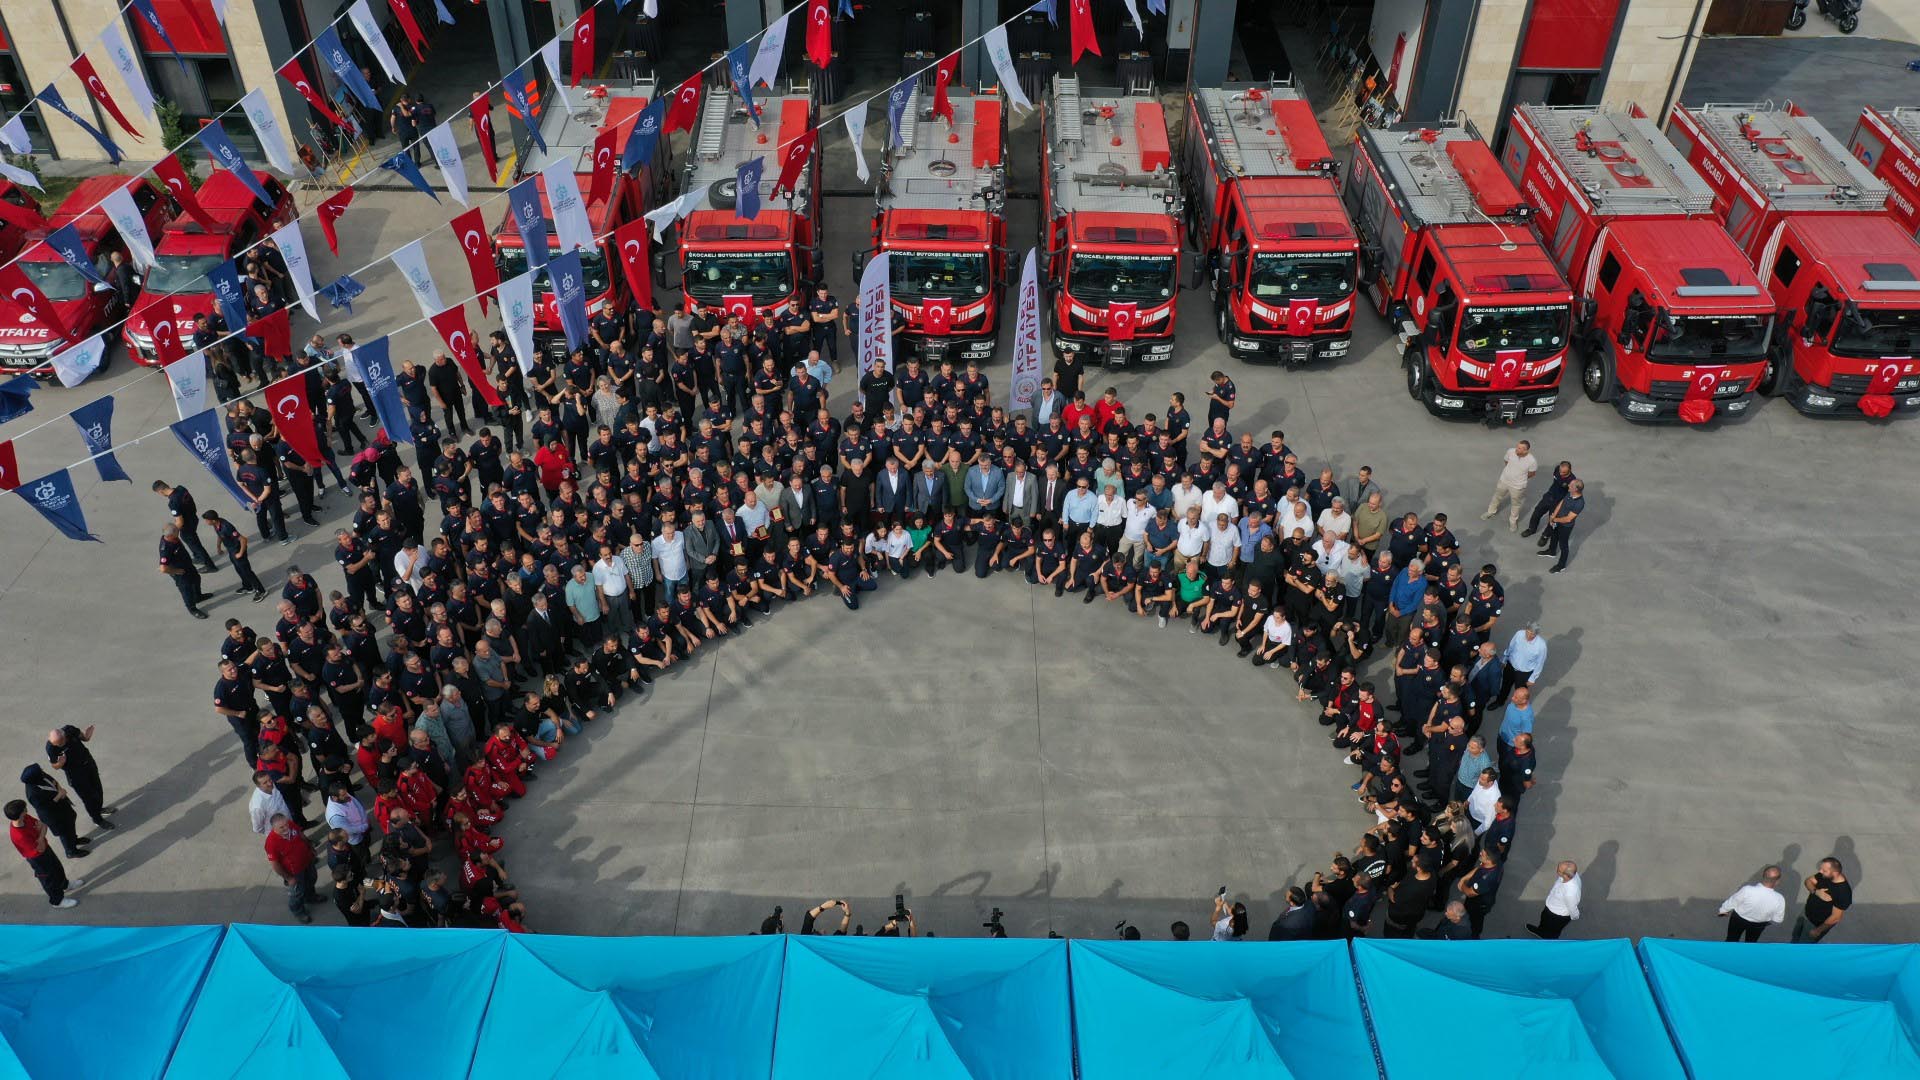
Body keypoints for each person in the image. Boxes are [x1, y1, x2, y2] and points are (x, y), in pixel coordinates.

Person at [8, 800, 83, 908]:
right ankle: (57, 901)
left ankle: (65, 885)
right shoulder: (19, 835)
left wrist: (40, 837)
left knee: (57, 867)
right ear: (19, 814)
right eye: (24, 809)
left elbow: (44, 826)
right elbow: (40, 848)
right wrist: (41, 835)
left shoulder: (25, 818)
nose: (27, 810)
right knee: (48, 879)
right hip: (37, 858)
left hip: (45, 849)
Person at [44, 725, 113, 830]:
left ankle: (99, 809)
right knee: (88, 798)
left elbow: (84, 738)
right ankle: (97, 820)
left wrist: (87, 737)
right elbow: (54, 766)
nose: (58, 746)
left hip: (88, 764)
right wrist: (60, 763)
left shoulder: (70, 730)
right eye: (56, 744)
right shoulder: (51, 747)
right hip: (75, 774)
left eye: (59, 743)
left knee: (97, 789)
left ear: (64, 737)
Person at [20, 764, 87, 859]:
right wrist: (59, 795)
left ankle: (74, 840)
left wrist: (60, 789)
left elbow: (54, 781)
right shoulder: (33, 793)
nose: (42, 770)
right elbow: (45, 807)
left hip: (62, 806)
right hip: (53, 815)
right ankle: (71, 851)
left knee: (70, 824)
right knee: (64, 832)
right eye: (40, 771)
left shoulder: (41, 776)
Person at [264, 812, 320, 923]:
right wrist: (289, 878)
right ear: (274, 828)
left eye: (286, 824)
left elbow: (300, 834)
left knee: (312, 879)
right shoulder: (271, 843)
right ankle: (298, 911)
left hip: (307, 861)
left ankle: (310, 897)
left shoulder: (290, 824)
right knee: (297, 893)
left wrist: (310, 847)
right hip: (294, 872)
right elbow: (275, 865)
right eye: (282, 827)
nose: (286, 828)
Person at [153, 481, 218, 572]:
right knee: (190, 541)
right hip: (193, 518)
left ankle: (210, 566)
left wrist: (171, 534)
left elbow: (180, 521)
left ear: (160, 491)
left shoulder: (173, 503)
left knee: (196, 546)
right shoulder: (181, 489)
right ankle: (198, 557)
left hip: (187, 526)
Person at [204, 509, 268, 601]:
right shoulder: (216, 524)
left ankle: (261, 591)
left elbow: (243, 540)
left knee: (247, 571)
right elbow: (220, 535)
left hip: (237, 550)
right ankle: (248, 587)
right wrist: (218, 547)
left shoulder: (226, 527)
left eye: (207, 520)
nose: (206, 522)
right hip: (231, 550)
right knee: (239, 570)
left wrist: (240, 553)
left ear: (213, 520)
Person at [1718, 865, 1788, 942]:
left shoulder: (1747, 890)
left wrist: (1723, 910)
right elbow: (1778, 920)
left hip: (1738, 919)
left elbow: (1733, 901)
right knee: (1751, 942)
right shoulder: (1780, 899)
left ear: (1763, 876)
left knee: (1731, 939)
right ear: (1777, 881)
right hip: (1759, 925)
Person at [1792, 858, 1852, 943]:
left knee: (1803, 945)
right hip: (1805, 913)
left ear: (1835, 873)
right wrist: (1816, 891)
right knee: (1795, 935)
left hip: (1815, 924)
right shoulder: (1825, 875)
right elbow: (1808, 881)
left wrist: (1818, 930)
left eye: (1824, 870)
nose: (1820, 871)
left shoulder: (1843, 892)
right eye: (1821, 869)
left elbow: (1836, 917)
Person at [1482, 439, 1537, 531]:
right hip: (1504, 480)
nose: (1516, 449)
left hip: (1518, 486)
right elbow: (1506, 461)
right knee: (1497, 496)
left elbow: (1532, 474)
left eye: (1520, 448)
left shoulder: (1532, 461)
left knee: (1515, 504)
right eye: (1517, 447)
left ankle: (1513, 521)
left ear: (1526, 451)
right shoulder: (1510, 451)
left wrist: (1520, 478)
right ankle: (1491, 511)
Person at [159, 524, 212, 620]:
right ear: (171, 535)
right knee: (186, 590)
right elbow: (163, 568)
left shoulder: (173, 538)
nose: (179, 532)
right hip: (180, 572)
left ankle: (198, 596)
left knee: (196, 579)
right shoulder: (165, 548)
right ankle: (192, 608)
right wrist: (176, 571)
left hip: (187, 566)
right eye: (177, 531)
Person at [1492, 623, 1547, 708]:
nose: (1528, 635)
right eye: (1527, 632)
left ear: (1536, 634)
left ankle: (1518, 708)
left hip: (1524, 673)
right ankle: (1499, 701)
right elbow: (1510, 647)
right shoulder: (1519, 634)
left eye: (1532, 634)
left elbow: (1540, 663)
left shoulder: (1541, 646)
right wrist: (1504, 659)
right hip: (1510, 666)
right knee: (1505, 686)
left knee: (1520, 693)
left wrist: (1532, 678)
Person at [1538, 478, 1585, 573]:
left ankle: (1561, 565)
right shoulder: (1570, 493)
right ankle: (1552, 551)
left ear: (1576, 489)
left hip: (1565, 527)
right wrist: (1553, 516)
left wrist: (1554, 519)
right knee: (1554, 536)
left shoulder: (1579, 503)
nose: (1568, 485)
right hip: (1557, 520)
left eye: (1571, 485)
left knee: (1563, 545)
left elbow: (1568, 519)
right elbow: (1561, 503)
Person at [1526, 860, 1582, 939]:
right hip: (1551, 907)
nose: (1556, 870)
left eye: (1559, 870)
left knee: (1552, 932)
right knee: (1544, 921)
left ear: (1566, 875)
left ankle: (1549, 942)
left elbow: (1572, 908)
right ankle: (1540, 931)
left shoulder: (1571, 892)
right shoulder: (1572, 875)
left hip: (1557, 916)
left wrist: (1574, 917)